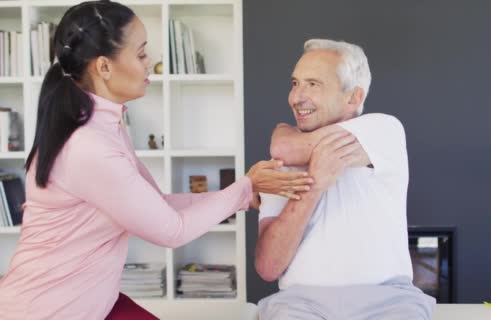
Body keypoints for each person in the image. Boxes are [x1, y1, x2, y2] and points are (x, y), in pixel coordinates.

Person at [0, 1, 312, 319]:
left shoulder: (103, 128)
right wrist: (244, 188)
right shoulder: (88, 146)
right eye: (140, 54)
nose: (151, 62)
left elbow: (157, 204)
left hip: (90, 301)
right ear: (104, 67)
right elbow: (171, 231)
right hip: (46, 310)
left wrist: (244, 196)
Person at [255, 39, 436, 319]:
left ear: (354, 98)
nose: (296, 97)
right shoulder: (279, 168)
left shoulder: (383, 130)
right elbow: (268, 267)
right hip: (301, 304)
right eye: (294, 83)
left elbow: (285, 146)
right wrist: (314, 184)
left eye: (313, 84)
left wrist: (281, 133)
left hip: (389, 301)